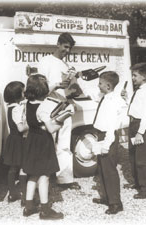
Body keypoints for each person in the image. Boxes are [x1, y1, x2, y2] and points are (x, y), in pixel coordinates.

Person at [76, 71, 124, 214]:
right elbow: (89, 92)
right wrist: (79, 78)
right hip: (100, 135)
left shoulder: (113, 101)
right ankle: (106, 197)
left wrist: (106, 145)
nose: (98, 85)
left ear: (108, 85)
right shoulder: (104, 96)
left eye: (100, 83)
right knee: (102, 169)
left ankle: (115, 203)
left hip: (107, 137)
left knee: (109, 171)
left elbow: (111, 127)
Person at [37, 32, 81, 190]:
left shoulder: (67, 66)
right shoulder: (45, 62)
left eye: (69, 49)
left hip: (64, 106)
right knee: (47, 143)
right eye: (65, 47)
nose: (67, 51)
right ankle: (43, 178)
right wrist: (56, 84)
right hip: (50, 106)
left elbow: (68, 89)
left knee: (64, 144)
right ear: (58, 44)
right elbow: (39, 89)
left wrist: (71, 99)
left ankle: (65, 179)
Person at [22, 74, 67, 220]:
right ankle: (45, 210)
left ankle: (28, 206)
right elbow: (51, 129)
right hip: (43, 142)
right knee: (44, 176)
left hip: (32, 140)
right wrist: (62, 120)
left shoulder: (27, 103)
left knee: (33, 174)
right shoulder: (43, 108)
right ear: (43, 91)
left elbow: (32, 122)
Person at [121, 63, 146, 199]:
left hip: (142, 127)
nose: (133, 78)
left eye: (135, 75)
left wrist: (140, 132)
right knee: (133, 156)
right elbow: (136, 108)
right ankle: (137, 183)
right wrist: (126, 98)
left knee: (142, 159)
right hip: (134, 124)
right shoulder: (139, 90)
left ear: (144, 76)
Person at [3, 81, 28, 206]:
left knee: (13, 168)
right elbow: (21, 128)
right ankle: (25, 196)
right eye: (24, 91)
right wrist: (31, 124)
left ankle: (12, 193)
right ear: (18, 94)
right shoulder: (17, 109)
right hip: (19, 140)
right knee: (23, 168)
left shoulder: (10, 106)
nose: (25, 93)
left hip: (12, 139)